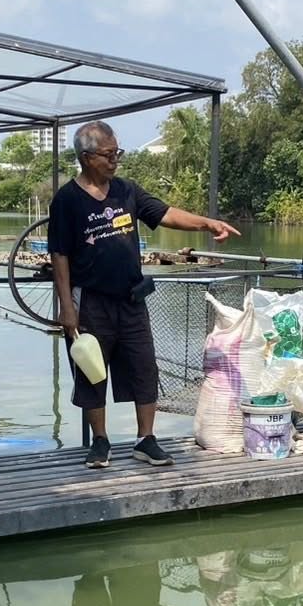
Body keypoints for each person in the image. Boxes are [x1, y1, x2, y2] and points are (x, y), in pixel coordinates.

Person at [49, 121, 240, 468]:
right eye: (109, 154)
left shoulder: (127, 191)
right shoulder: (67, 200)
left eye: (117, 152)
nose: (115, 160)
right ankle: (100, 442)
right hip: (89, 301)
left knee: (144, 369)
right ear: (87, 157)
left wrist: (207, 223)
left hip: (132, 298)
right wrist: (67, 307)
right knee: (92, 371)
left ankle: (145, 439)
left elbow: (166, 213)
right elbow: (59, 255)